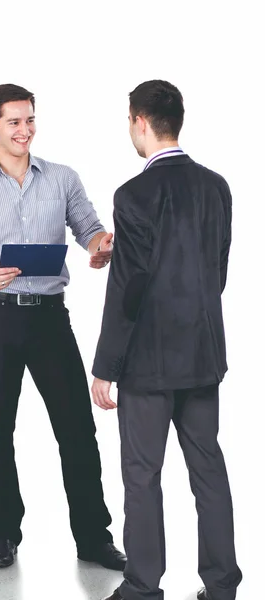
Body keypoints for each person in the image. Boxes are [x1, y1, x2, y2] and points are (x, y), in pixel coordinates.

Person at [0, 83, 126, 571]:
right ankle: (3, 535)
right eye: (14, 122)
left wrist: (102, 246)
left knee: (77, 428)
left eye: (30, 120)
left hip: (49, 319)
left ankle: (93, 538)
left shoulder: (62, 179)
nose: (25, 131)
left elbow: (90, 232)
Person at [91, 80, 242, 600]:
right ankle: (222, 586)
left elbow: (128, 287)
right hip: (202, 356)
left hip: (148, 365)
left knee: (142, 475)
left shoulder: (133, 194)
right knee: (208, 470)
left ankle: (142, 587)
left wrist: (105, 364)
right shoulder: (216, 186)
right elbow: (215, 272)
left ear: (139, 120)